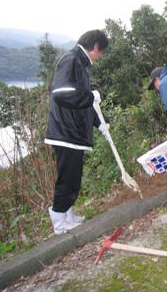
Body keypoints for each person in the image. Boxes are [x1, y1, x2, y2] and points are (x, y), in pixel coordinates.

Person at [45, 30, 109, 235]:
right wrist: (90, 96)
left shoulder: (79, 64)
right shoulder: (71, 59)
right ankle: (59, 221)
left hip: (73, 133)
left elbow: (84, 103)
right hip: (65, 132)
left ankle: (68, 215)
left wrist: (101, 123)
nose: (100, 56)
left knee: (74, 177)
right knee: (67, 177)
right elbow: (60, 93)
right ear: (95, 47)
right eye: (101, 52)